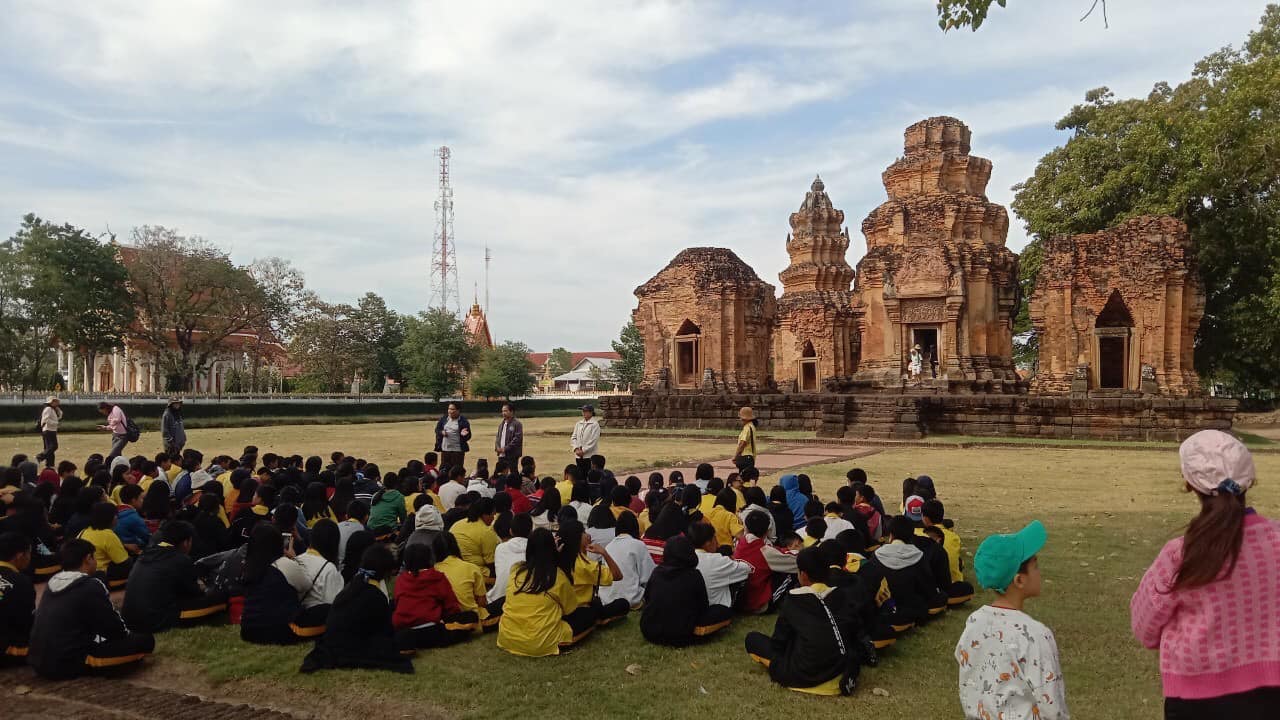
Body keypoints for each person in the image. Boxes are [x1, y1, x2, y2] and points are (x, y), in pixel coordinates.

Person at [1132, 430, 1280, 718]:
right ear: (1250, 480)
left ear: (1189, 483)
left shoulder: (1181, 555)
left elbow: (1144, 627)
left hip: (1196, 699)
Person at [957, 520, 1066, 720]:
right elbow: (1052, 707)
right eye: (1036, 566)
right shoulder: (1036, 635)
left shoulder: (974, 622)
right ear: (1019, 580)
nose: (1040, 572)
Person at [28, 539, 155, 678]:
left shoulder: (52, 582)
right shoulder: (90, 585)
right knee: (145, 641)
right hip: (64, 663)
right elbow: (117, 631)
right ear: (88, 559)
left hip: (37, 659)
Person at [301, 544, 413, 674]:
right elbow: (384, 632)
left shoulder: (350, 587)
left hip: (334, 642)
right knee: (406, 636)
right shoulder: (376, 596)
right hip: (355, 645)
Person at [497, 528, 590, 657]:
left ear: (529, 549)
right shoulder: (557, 576)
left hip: (508, 637)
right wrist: (558, 559)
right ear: (552, 549)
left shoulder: (516, 570)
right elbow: (570, 610)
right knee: (589, 613)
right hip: (540, 642)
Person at [121, 521, 226, 632]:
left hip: (129, 618)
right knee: (220, 597)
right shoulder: (180, 559)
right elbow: (194, 594)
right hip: (155, 621)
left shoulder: (146, 553)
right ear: (186, 542)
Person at [640, 535, 733, 646]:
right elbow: (703, 607)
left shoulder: (657, 572)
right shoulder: (694, 575)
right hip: (681, 635)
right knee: (724, 611)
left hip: (649, 630)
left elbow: (647, 599)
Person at [867, 516, 946, 627]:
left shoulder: (876, 555)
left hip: (884, 608)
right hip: (912, 609)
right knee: (941, 596)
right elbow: (928, 589)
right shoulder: (918, 556)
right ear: (911, 536)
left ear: (891, 535)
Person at [393, 542, 473, 649]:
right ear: (429, 559)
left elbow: (397, 602)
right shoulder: (436, 577)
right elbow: (451, 605)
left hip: (404, 629)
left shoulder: (401, 579)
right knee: (471, 617)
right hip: (432, 629)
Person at [598, 512, 654, 610]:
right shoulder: (638, 545)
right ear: (635, 528)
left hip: (606, 599)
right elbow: (649, 576)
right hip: (631, 599)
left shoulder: (609, 546)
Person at [690, 522, 752, 609]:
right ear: (708, 543)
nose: (717, 542)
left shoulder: (685, 558)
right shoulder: (716, 560)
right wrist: (732, 560)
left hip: (693, 608)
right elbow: (746, 569)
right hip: (717, 608)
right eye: (715, 538)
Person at [79, 501, 135, 589]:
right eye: (115, 515)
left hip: (82, 571)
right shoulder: (108, 535)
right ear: (112, 518)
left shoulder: (84, 531)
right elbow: (124, 563)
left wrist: (124, 546)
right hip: (102, 575)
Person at [0, 532, 35, 661]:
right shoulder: (21, 582)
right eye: (29, 553)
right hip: (7, 650)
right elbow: (27, 623)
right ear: (20, 556)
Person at [487, 512, 532, 609]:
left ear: (510, 531)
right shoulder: (535, 550)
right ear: (531, 531)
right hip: (524, 602)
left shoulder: (500, 548)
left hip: (498, 599)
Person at [434, 402, 471, 473]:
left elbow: (468, 436)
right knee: (444, 470)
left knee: (456, 471)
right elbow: (437, 429)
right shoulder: (444, 419)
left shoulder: (463, 421)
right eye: (449, 409)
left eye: (452, 409)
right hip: (445, 449)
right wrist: (442, 432)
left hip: (457, 451)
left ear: (458, 410)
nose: (450, 411)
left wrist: (464, 435)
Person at [570, 404, 601, 476]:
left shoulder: (595, 424)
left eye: (586, 411)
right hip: (578, 455)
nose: (583, 413)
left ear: (591, 412)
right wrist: (576, 449)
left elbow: (593, 440)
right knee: (580, 475)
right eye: (583, 411)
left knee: (589, 475)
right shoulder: (579, 423)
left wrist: (583, 450)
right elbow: (574, 437)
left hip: (589, 456)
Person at [495, 402, 524, 470]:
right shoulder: (501, 424)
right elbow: (498, 438)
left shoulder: (517, 424)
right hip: (501, 455)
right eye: (502, 411)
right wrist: (497, 448)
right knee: (501, 473)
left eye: (505, 411)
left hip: (512, 455)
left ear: (511, 412)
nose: (503, 413)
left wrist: (505, 448)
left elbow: (517, 439)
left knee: (512, 472)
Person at [35, 396, 61, 469]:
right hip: (48, 430)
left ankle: (50, 464)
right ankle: (39, 457)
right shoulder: (48, 409)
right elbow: (46, 420)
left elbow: (59, 417)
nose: (57, 403)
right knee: (54, 446)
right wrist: (55, 423)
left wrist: (58, 410)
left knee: (48, 448)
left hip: (51, 430)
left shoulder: (52, 409)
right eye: (55, 401)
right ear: (51, 402)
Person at [733, 406, 758, 473]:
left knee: (743, 477)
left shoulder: (747, 428)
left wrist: (736, 456)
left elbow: (742, 443)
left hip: (745, 457)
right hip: (750, 457)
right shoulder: (752, 426)